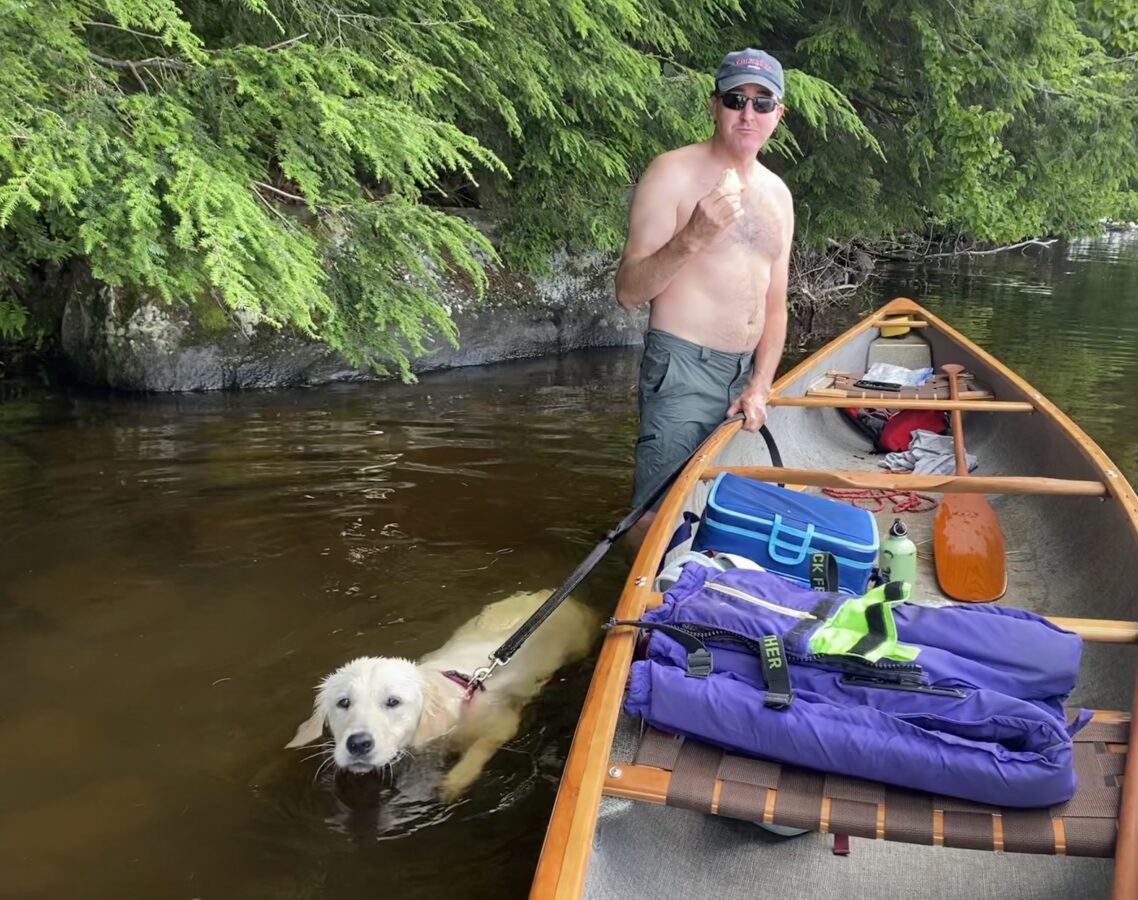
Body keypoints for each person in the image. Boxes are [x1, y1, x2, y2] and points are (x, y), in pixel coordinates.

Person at [616, 48, 794, 545]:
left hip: (744, 375)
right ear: (714, 105)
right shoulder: (670, 173)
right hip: (681, 368)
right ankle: (637, 613)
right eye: (737, 99)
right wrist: (693, 234)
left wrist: (761, 383)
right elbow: (629, 292)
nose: (748, 113)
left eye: (763, 103)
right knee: (654, 521)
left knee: (721, 513)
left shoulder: (779, 195)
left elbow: (775, 306)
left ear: (778, 114)